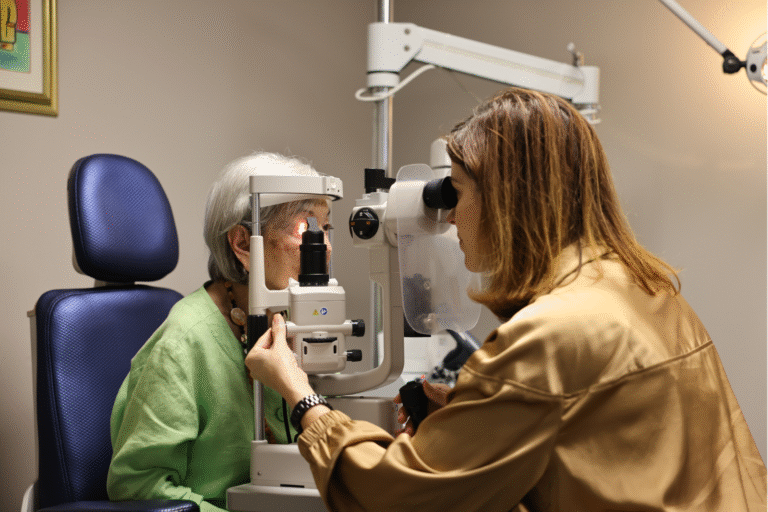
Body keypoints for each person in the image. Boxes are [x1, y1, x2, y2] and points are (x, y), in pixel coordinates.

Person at [245, 88, 767, 511]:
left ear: (505, 196)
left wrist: (302, 396)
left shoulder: (551, 333)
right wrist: (484, 412)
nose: (451, 215)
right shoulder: (647, 288)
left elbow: (401, 495)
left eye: (457, 191)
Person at [107, 152, 333, 511]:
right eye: (304, 230)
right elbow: (138, 487)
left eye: (326, 229)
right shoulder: (184, 340)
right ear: (242, 243)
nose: (326, 248)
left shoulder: (289, 321)